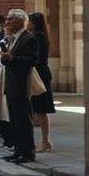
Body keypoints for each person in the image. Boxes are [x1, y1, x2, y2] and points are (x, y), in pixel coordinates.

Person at [0, 9, 39, 164]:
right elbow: (7, 61)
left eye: (9, 19)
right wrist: (6, 57)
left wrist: (12, 58)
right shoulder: (12, 38)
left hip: (22, 85)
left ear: (19, 21)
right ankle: (18, 151)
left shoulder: (29, 38)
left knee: (23, 120)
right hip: (11, 84)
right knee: (15, 121)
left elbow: (32, 61)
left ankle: (28, 153)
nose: (7, 22)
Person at [28, 12, 56, 152]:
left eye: (29, 21)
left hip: (40, 76)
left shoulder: (38, 37)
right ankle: (45, 141)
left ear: (33, 23)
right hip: (40, 74)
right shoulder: (40, 36)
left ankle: (45, 141)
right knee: (39, 110)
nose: (27, 24)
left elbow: (37, 59)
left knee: (41, 110)